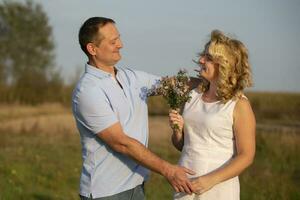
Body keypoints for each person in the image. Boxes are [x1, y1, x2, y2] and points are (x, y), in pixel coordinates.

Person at [72, 17, 196, 200]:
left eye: (119, 38)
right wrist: (168, 170)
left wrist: (213, 84)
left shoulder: (131, 78)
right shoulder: (88, 91)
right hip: (106, 192)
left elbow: (172, 84)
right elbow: (121, 143)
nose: (120, 45)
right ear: (92, 49)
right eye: (113, 42)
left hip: (137, 186)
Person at [169, 30, 256, 200]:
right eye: (203, 55)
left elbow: (246, 156)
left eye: (208, 58)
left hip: (218, 188)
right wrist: (177, 131)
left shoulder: (239, 104)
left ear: (224, 64)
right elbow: (183, 145)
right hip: (185, 186)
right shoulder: (192, 96)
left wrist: (209, 180)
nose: (201, 60)